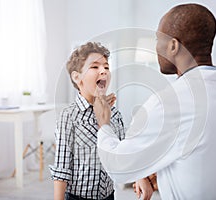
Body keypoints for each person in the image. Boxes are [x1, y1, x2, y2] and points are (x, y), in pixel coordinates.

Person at [93, 3, 216, 200]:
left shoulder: (170, 104)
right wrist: (164, 174)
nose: (155, 47)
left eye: (157, 39)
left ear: (173, 46)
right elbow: (212, 161)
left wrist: (104, 123)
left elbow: (118, 165)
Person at [49, 42, 153, 200]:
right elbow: (62, 168)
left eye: (106, 67)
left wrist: (140, 176)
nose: (103, 71)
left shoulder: (115, 114)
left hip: (109, 195)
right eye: (95, 67)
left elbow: (123, 151)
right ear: (77, 77)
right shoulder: (68, 116)